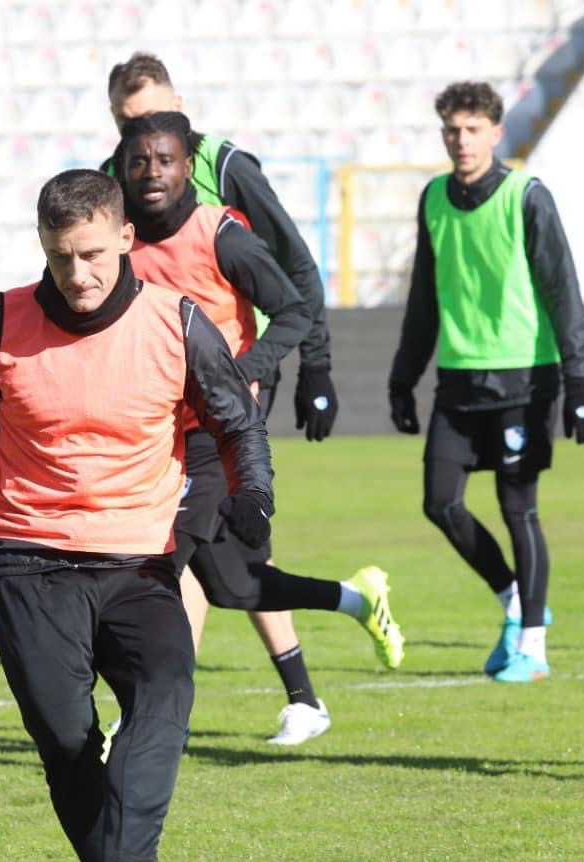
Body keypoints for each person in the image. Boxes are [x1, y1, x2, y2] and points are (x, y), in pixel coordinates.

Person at [0, 169, 259, 862]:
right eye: (59, 257)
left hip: (140, 563)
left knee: (164, 693)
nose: (77, 274)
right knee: (67, 741)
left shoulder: (177, 320)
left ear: (125, 238)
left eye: (91, 255)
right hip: (27, 559)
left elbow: (237, 422)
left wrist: (254, 497)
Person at [118, 112, 402, 745]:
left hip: (218, 433)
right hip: (157, 432)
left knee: (156, 562)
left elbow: (295, 308)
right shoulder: (119, 241)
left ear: (187, 167)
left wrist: (242, 372)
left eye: (164, 160)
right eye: (139, 161)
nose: (151, 172)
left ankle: (145, 719)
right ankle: (355, 602)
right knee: (233, 583)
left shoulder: (221, 234)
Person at [103, 52, 343, 737]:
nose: (146, 144)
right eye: (129, 124)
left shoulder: (228, 169)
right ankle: (303, 690)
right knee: (225, 565)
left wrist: (316, 368)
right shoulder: (118, 182)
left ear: (180, 109)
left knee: (176, 544)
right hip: (160, 404)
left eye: (154, 118)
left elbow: (294, 267)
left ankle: (155, 712)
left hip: (231, 394)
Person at [388, 81, 584, 684]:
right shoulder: (433, 199)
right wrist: (404, 377)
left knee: (517, 509)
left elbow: (563, 291)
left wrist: (580, 383)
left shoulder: (527, 197)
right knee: (439, 502)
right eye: (452, 130)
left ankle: (533, 645)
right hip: (459, 379)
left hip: (525, 379)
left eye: (472, 129)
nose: (461, 140)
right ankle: (515, 600)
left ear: (496, 133)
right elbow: (423, 296)